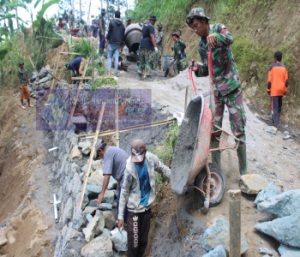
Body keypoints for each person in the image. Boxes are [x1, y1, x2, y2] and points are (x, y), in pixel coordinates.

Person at [187, 7, 247, 176]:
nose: (195, 29)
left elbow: (230, 38)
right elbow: (208, 69)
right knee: (213, 131)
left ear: (205, 21)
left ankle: (244, 172)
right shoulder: (201, 45)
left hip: (232, 89)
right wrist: (198, 68)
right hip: (216, 94)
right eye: (193, 27)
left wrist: (217, 37)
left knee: (239, 129)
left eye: (197, 25)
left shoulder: (219, 28)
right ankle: (217, 170)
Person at [117, 139, 170, 257]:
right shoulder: (129, 169)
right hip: (134, 211)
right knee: (134, 243)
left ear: (145, 152)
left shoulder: (151, 159)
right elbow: (124, 192)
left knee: (143, 241)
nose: (138, 162)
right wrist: (120, 216)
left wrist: (175, 179)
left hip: (147, 209)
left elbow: (162, 168)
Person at [95, 140, 129, 214]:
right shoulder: (112, 149)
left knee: (122, 203)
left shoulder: (107, 153)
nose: (101, 157)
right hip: (129, 174)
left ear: (100, 151)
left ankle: (126, 223)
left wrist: (102, 194)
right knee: (122, 199)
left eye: (99, 155)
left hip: (127, 176)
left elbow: (107, 176)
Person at [267, 51, 288, 130]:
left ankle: (275, 124)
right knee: (279, 106)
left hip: (274, 89)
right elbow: (286, 81)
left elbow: (269, 81)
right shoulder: (284, 68)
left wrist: (268, 89)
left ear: (275, 58)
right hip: (281, 89)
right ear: (281, 58)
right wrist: (285, 90)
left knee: (274, 106)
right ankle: (277, 121)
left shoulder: (271, 67)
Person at [106, 10, 125, 78]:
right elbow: (123, 35)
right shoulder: (122, 25)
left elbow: (109, 32)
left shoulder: (111, 22)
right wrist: (122, 45)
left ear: (115, 15)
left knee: (109, 57)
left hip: (111, 43)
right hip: (118, 44)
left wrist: (107, 39)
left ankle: (108, 73)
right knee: (116, 58)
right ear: (120, 16)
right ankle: (115, 74)